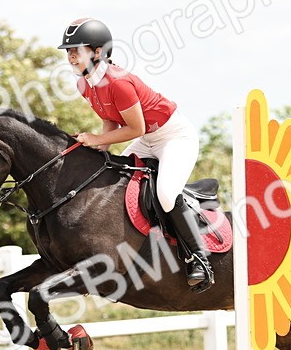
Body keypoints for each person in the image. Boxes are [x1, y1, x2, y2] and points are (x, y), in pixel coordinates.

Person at [59, 17, 213, 292]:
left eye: (76, 50)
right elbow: (110, 120)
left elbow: (135, 126)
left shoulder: (119, 82)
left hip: (174, 137)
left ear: (97, 52)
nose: (70, 56)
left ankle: (199, 258)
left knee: (166, 194)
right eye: (68, 51)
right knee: (112, 177)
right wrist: (99, 147)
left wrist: (98, 138)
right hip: (145, 139)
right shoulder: (84, 85)